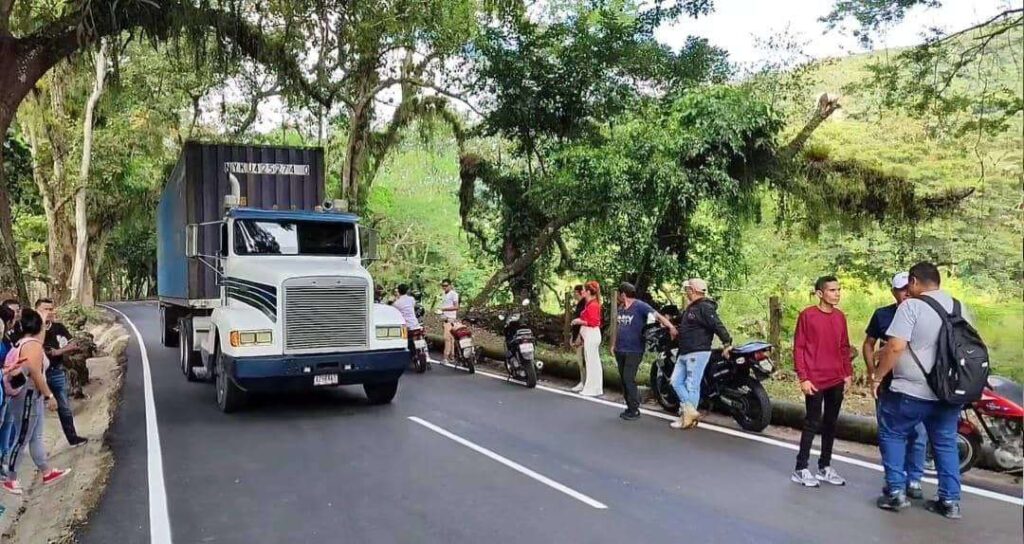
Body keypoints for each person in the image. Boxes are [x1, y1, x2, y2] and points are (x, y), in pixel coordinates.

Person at [874, 262, 966, 519]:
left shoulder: (911, 306)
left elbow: (895, 347)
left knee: (893, 434)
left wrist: (877, 377)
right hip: (948, 392)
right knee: (945, 443)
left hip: (911, 391)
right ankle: (950, 501)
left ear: (914, 282)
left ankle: (896, 493)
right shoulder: (958, 307)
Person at [863, 272, 927, 499]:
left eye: (908, 288)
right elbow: (868, 344)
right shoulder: (883, 314)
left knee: (918, 434)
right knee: (889, 434)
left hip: (916, 385)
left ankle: (914, 479)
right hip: (887, 383)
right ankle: (894, 479)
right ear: (893, 292)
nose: (906, 293)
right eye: (901, 290)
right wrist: (872, 371)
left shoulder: (924, 314)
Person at [791, 276, 853, 488]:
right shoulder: (808, 315)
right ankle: (801, 467)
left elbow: (844, 346)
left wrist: (847, 373)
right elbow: (799, 347)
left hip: (836, 377)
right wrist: (803, 377)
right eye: (832, 290)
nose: (837, 294)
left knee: (831, 423)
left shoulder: (840, 317)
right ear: (820, 293)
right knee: (812, 422)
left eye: (838, 290)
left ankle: (824, 466)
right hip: (814, 378)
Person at [2, 308, 72, 495]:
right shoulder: (32, 345)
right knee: (23, 437)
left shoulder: (26, 342)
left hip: (31, 395)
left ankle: (46, 471)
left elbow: (39, 340)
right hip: (28, 396)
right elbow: (35, 373)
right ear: (38, 326)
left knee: (35, 436)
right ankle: (10, 479)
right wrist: (49, 395)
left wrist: (41, 317)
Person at [670, 278, 732, 430]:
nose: (686, 292)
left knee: (692, 385)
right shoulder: (691, 308)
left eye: (688, 289)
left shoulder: (705, 307)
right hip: (684, 351)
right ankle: (690, 413)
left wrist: (727, 343)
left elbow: (717, 325)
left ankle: (687, 418)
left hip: (698, 351)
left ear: (693, 290)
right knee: (675, 381)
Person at [610, 282, 676, 421]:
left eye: (619, 294)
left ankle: (634, 408)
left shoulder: (640, 306)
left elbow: (658, 316)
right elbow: (618, 327)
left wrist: (671, 327)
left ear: (623, 294)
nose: (618, 297)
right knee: (623, 379)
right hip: (620, 348)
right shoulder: (621, 308)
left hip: (634, 349)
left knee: (628, 378)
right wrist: (613, 344)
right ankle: (629, 406)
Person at [35, 299, 88, 447]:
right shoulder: (32, 328)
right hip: (37, 374)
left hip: (56, 371)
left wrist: (59, 351)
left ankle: (73, 438)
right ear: (37, 310)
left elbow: (74, 344)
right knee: (36, 411)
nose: (49, 312)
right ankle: (37, 447)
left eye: (51, 309)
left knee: (64, 406)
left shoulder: (58, 327)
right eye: (45, 309)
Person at [570, 281, 604, 397]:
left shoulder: (593, 305)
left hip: (591, 334)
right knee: (591, 361)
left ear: (589, 292)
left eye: (584, 290)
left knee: (591, 362)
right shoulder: (590, 303)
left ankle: (592, 388)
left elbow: (594, 322)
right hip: (589, 334)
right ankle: (594, 387)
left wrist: (579, 321)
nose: (582, 292)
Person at [392, 284, 421, 353]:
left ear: (398, 291)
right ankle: (422, 354)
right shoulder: (411, 299)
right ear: (407, 291)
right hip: (415, 325)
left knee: (404, 344)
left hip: (404, 327)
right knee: (419, 344)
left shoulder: (396, 303)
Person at [570, 285, 588, 393]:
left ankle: (584, 382)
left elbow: (582, 322)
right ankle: (583, 381)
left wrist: (579, 337)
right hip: (577, 334)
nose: (574, 295)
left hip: (582, 336)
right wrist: (573, 336)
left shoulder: (584, 304)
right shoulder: (580, 304)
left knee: (582, 360)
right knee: (580, 360)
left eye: (575, 292)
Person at [439, 279, 460, 362]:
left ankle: (445, 357)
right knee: (451, 338)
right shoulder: (444, 294)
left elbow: (456, 307)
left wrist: (444, 309)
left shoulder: (454, 294)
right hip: (445, 318)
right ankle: (452, 356)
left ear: (450, 285)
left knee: (447, 338)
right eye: (443, 286)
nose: (444, 287)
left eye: (446, 285)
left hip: (450, 319)